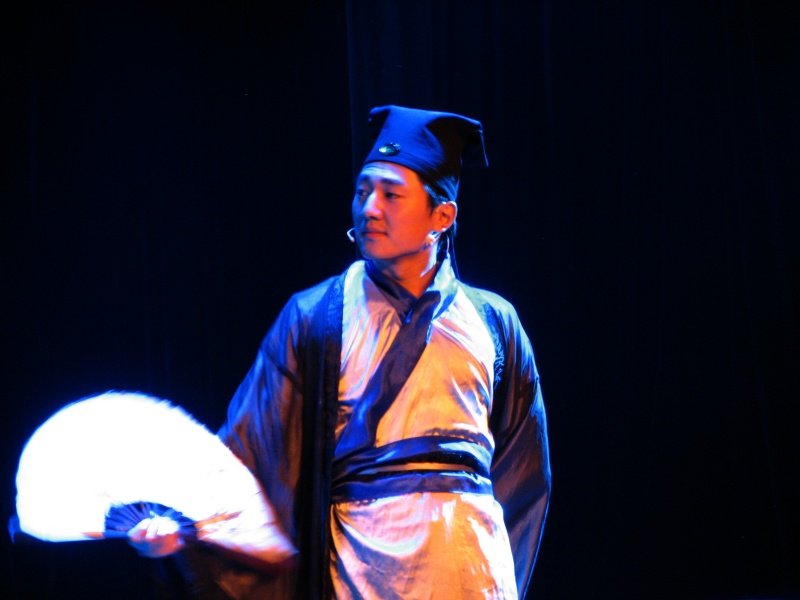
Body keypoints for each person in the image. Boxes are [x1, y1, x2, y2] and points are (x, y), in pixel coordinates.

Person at [131, 104, 551, 600]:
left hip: (469, 570)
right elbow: (252, 450)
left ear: (442, 216)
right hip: (361, 571)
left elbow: (523, 475)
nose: (369, 208)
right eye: (362, 191)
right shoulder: (315, 317)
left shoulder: (493, 322)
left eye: (391, 194)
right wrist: (186, 527)